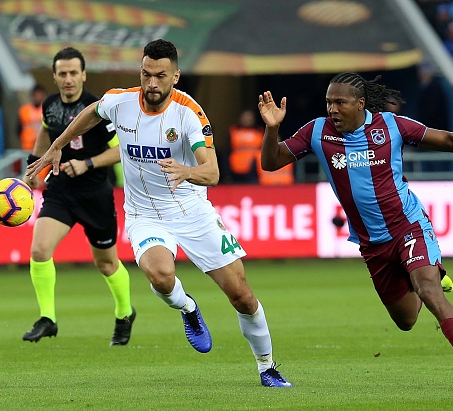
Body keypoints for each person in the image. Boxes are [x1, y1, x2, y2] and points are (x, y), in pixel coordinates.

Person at [26, 39, 292, 388]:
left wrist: (186, 171)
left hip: (192, 210)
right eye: (146, 74)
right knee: (160, 274)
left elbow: (211, 172)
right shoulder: (120, 101)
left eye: (160, 76)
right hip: (144, 214)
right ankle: (188, 309)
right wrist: (56, 146)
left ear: (175, 76)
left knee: (241, 294)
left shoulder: (189, 113)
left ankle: (267, 366)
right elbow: (90, 113)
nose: (152, 83)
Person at [257, 72, 453, 392]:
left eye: (340, 102)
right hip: (372, 245)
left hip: (408, 226)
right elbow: (271, 163)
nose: (332, 109)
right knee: (406, 321)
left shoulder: (391, 125)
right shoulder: (317, 132)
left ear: (359, 104)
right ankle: (429, 271)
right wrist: (272, 128)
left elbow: (445, 140)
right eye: (329, 102)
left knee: (429, 293)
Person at [21, 47, 136, 346]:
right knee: (39, 251)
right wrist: (35, 164)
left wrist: (87, 163)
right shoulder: (50, 105)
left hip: (95, 194)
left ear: (84, 74)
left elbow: (121, 149)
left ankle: (125, 313)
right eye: (62, 73)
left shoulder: (98, 109)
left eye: (74, 73)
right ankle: (48, 318)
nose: (68, 79)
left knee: (106, 264)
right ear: (55, 76)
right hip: (60, 192)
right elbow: (46, 132)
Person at [228, 109, 264, 184]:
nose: (247, 120)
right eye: (245, 117)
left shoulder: (260, 132)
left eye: (249, 118)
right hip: (235, 169)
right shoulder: (233, 132)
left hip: (253, 170)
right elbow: (227, 151)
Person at [19, 84, 47, 151]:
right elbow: (19, 128)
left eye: (40, 95)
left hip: (43, 147)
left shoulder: (48, 109)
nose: (37, 97)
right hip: (27, 146)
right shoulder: (24, 110)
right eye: (36, 95)